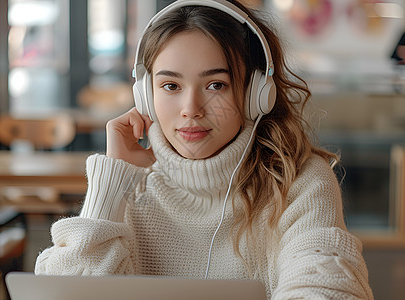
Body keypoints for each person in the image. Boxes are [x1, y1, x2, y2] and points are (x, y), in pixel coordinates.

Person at [35, 0, 374, 299]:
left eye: (215, 85)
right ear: (145, 97)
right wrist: (110, 188)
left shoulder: (299, 182)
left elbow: (328, 286)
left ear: (257, 93)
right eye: (170, 85)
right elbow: (64, 293)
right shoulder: (130, 188)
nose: (191, 109)